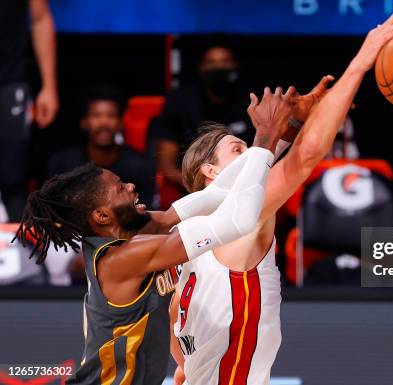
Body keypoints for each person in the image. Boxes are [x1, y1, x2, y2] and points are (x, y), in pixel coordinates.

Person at [169, 8, 393, 385]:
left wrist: (297, 121)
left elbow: (174, 329)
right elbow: (308, 154)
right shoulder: (239, 217)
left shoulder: (185, 238)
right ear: (210, 172)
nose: (251, 155)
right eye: (237, 150)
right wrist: (362, 61)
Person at [13, 91, 290, 384]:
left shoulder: (133, 234)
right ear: (102, 216)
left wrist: (288, 128)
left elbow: (209, 197)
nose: (131, 186)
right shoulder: (123, 258)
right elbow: (237, 219)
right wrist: (263, 139)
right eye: (119, 188)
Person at [151, 46, 252, 189]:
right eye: (211, 63)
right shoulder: (180, 102)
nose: (218, 67)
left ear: (235, 66)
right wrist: (204, 191)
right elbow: (167, 166)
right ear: (201, 68)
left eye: (225, 62)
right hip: (192, 189)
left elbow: (262, 153)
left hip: (245, 186)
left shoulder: (251, 101)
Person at [47, 85, 157, 208]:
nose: (104, 122)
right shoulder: (63, 163)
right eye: (96, 115)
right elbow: (50, 209)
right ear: (84, 122)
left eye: (111, 116)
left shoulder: (139, 165)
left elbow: (148, 213)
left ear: (121, 123)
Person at [0, 0, 58, 221]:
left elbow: (40, 17)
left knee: (14, 176)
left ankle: (17, 247)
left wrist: (49, 86)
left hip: (9, 80)